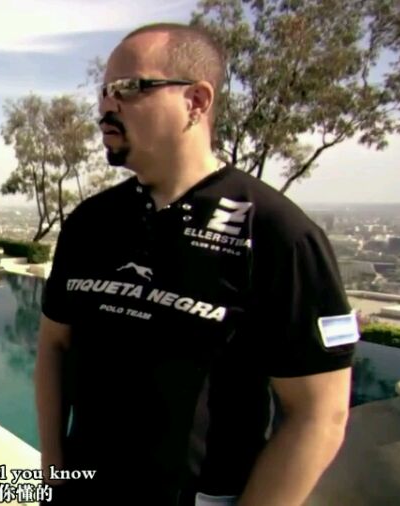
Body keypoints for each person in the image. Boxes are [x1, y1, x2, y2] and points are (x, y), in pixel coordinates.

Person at [34, 23, 357, 505]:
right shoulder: (90, 222)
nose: (105, 106)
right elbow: (54, 345)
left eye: (128, 88)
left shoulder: (278, 235)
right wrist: (54, 470)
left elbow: (319, 416)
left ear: (197, 101)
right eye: (103, 91)